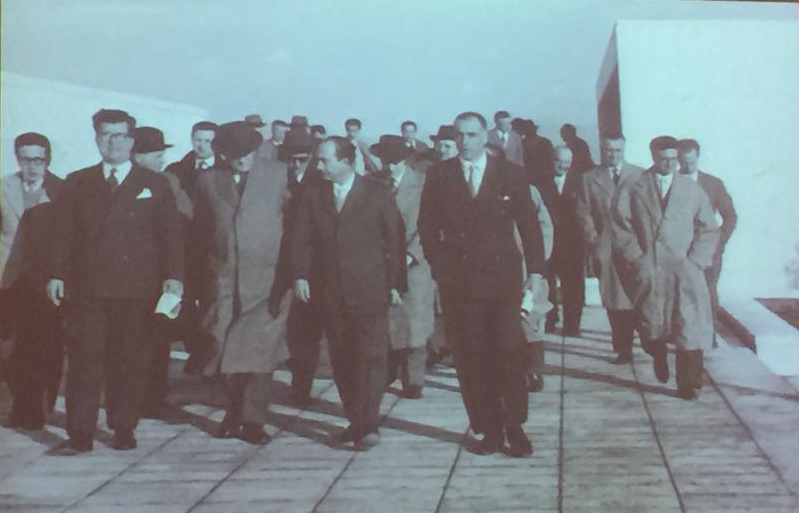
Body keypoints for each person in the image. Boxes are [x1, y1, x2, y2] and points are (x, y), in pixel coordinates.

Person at [48, 109, 184, 453]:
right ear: (96, 138)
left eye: (120, 135)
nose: (113, 142)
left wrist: (173, 277)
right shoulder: (78, 182)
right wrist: (56, 273)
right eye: (106, 134)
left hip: (137, 288)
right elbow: (62, 233)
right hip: (88, 287)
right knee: (85, 359)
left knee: (130, 359)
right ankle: (80, 433)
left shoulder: (155, 183)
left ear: (132, 140)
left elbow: (171, 236)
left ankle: (123, 426)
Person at [418, 111, 545, 457]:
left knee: (509, 352)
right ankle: (488, 428)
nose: (465, 142)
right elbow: (426, 226)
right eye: (459, 135)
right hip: (460, 283)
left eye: (472, 135)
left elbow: (529, 226)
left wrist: (536, 272)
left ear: (485, 135)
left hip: (502, 282)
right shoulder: (440, 175)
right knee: (472, 357)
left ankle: (515, 425)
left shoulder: (510, 174)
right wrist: (441, 267)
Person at [291, 136, 404, 450]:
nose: (319, 166)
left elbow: (394, 239)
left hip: (370, 290)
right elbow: (300, 238)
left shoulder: (377, 192)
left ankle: (369, 422)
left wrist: (396, 283)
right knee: (342, 358)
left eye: (325, 160)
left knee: (372, 356)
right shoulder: (313, 194)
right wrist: (300, 275)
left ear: (345, 161)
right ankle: (357, 420)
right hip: (329, 291)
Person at [194, 121, 289, 443]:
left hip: (267, 280)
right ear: (223, 154)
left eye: (248, 153)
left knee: (258, 352)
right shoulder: (208, 180)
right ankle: (234, 409)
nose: (243, 159)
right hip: (223, 280)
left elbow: (293, 222)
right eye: (236, 155)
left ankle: (253, 421)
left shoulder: (279, 174)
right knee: (221, 345)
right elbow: (201, 229)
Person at [612, 136, 719, 399]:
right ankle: (657, 354)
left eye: (674, 159)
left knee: (689, 327)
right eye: (664, 159)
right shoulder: (634, 185)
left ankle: (688, 383)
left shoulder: (691, 189)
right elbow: (620, 224)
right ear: (653, 157)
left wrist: (696, 261)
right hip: (650, 268)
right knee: (651, 325)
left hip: (685, 269)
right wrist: (637, 258)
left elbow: (708, 227)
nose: (670, 164)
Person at [1, 132, 64, 431]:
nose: (32, 166)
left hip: (44, 282)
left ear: (47, 160)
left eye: (38, 160)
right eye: (26, 159)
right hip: (8, 279)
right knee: (13, 346)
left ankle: (35, 406)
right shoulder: (4, 188)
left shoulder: (61, 191)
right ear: (18, 159)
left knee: (42, 345)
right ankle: (22, 402)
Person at [132, 127, 193, 417]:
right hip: (124, 276)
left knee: (157, 338)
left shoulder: (168, 181)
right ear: (138, 155)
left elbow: (186, 216)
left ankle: (153, 397)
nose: (162, 160)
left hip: (158, 276)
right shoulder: (117, 181)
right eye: (157, 156)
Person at [371, 135, 435, 399]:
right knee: (387, 322)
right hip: (381, 264)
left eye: (396, 161)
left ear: (405, 160)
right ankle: (386, 372)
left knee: (414, 323)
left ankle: (414, 379)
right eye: (386, 161)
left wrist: (410, 255)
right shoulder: (373, 183)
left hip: (415, 265)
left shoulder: (424, 184)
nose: (391, 166)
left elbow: (430, 224)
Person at [269, 130, 326, 407]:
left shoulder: (321, 181)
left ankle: (301, 387)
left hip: (311, 266)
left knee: (306, 330)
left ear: (312, 157)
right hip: (277, 263)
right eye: (292, 159)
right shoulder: (275, 179)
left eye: (302, 159)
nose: (296, 165)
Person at [577, 133, 644, 364]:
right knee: (614, 301)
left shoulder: (639, 175)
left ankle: (649, 341)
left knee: (641, 297)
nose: (613, 154)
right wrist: (594, 240)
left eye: (617, 150)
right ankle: (623, 349)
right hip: (607, 247)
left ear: (624, 150)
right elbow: (583, 211)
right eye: (608, 150)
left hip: (635, 247)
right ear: (601, 150)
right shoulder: (589, 178)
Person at [164, 121, 220, 374]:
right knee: (184, 302)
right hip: (185, 247)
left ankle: (208, 355)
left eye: (208, 141)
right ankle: (195, 349)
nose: (202, 146)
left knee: (211, 301)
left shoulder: (224, 171)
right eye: (198, 140)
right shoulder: (177, 170)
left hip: (213, 249)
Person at [677, 139, 737, 348]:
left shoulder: (713, 184)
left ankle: (709, 335)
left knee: (708, 291)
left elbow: (730, 215)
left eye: (691, 163)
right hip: (680, 249)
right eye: (683, 163)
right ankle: (682, 334)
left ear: (698, 158)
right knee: (681, 292)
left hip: (709, 250)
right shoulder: (671, 183)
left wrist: (720, 240)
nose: (687, 167)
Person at [538, 146, 585, 336]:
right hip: (548, 242)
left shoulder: (580, 182)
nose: (563, 166)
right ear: (551, 160)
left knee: (573, 285)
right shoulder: (540, 181)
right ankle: (550, 320)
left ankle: (572, 325)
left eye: (567, 162)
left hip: (573, 244)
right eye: (559, 161)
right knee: (547, 284)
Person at [521, 119, 554, 186]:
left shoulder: (545, 142)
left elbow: (550, 160)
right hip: (527, 177)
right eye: (526, 129)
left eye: (530, 129)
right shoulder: (521, 143)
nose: (529, 131)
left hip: (543, 177)